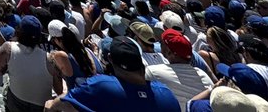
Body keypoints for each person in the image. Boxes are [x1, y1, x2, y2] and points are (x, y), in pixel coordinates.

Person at [44, 35, 179, 111]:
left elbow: (57, 105)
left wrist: (49, 105)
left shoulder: (101, 85)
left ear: (110, 60)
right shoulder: (166, 93)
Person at [0, 15, 57, 112]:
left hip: (15, 105)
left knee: (7, 84)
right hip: (41, 108)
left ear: (19, 31)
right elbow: (59, 89)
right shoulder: (50, 59)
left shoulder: (8, 48)